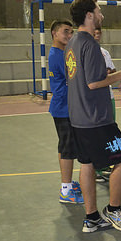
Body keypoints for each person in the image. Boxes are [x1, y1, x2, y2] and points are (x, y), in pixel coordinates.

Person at [65, 0, 121, 233]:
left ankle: (92, 217)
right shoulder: (90, 45)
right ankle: (114, 210)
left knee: (87, 164)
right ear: (89, 15)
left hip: (78, 117)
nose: (101, 15)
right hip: (96, 119)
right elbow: (94, 83)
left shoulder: (71, 43)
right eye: (98, 11)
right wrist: (120, 74)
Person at [48, 19, 84, 204]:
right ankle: (65, 190)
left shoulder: (63, 53)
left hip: (66, 107)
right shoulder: (57, 55)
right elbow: (74, 78)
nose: (69, 35)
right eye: (65, 32)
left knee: (66, 147)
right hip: (64, 108)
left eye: (71, 32)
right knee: (67, 149)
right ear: (54, 33)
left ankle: (67, 184)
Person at [94, 27, 116, 183]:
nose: (96, 36)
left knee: (109, 131)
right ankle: (96, 168)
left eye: (98, 33)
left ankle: (105, 163)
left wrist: (109, 72)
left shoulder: (104, 52)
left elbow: (112, 70)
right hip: (95, 99)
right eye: (93, 33)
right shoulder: (86, 52)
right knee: (97, 133)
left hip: (109, 96)